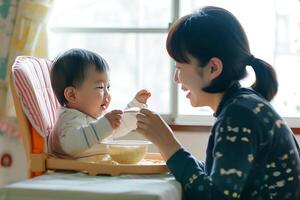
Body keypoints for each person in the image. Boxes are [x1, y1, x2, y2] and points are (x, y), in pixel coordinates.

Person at [136, 6, 300, 200]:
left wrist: (168, 144)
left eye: (179, 67)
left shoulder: (239, 114)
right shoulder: (244, 105)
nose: (176, 79)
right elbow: (216, 182)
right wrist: (170, 147)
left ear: (213, 68)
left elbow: (215, 197)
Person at [48, 48, 151, 158]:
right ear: (72, 95)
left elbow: (120, 125)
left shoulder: (94, 118)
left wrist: (136, 106)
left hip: (97, 169)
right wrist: (105, 124)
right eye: (100, 87)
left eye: (108, 87)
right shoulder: (69, 120)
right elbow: (71, 145)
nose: (108, 94)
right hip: (75, 173)